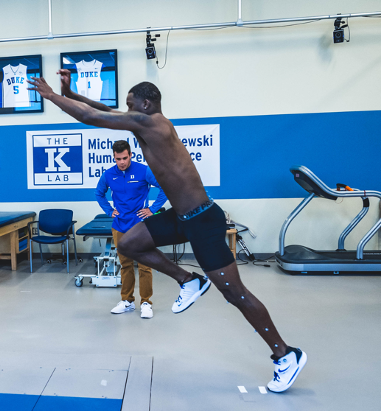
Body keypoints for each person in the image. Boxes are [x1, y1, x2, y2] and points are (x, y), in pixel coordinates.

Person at [28, 71, 307, 393]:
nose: (127, 111)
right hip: (182, 216)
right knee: (130, 243)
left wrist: (50, 96)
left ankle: (285, 355)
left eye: (132, 105)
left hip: (203, 220)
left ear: (147, 103)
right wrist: (70, 92)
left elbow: (92, 116)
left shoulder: (154, 124)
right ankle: (189, 280)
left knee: (235, 293)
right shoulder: (144, 122)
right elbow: (98, 108)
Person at [95, 140, 167, 319]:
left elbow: (164, 188)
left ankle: (146, 302)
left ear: (131, 155)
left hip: (141, 225)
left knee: (145, 265)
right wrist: (109, 210)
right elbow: (99, 193)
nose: (122, 162)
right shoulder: (108, 175)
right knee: (125, 264)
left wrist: (152, 209)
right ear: (114, 156)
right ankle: (127, 301)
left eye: (125, 158)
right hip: (119, 226)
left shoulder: (143, 171)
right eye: (118, 158)